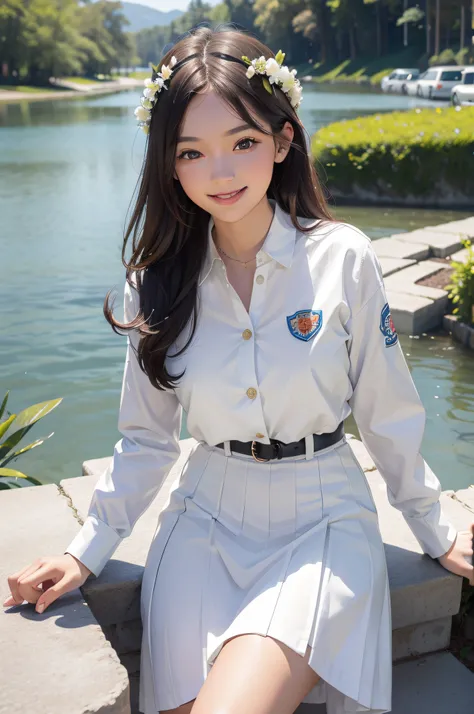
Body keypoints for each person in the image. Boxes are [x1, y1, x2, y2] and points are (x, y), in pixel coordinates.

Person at [4, 24, 474, 714]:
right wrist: (86, 551)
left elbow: (387, 413)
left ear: (283, 141)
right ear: (168, 163)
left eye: (243, 143)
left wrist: (437, 529)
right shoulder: (154, 285)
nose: (220, 174)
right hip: (204, 520)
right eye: (192, 152)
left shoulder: (343, 258)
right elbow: (147, 439)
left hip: (322, 520)